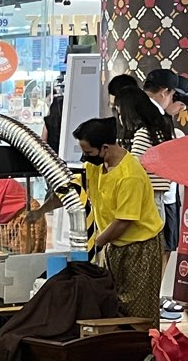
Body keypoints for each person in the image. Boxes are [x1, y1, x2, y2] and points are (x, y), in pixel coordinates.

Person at [75, 116, 165, 323]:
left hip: (140, 248)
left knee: (136, 309)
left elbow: (123, 221)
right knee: (114, 302)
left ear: (105, 148)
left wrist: (95, 244)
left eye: (88, 152)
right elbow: (75, 187)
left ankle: (144, 350)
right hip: (114, 245)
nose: (84, 157)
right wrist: (41, 210)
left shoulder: (129, 175)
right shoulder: (97, 166)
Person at [109, 74, 177, 249]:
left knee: (145, 247)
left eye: (119, 111)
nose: (120, 117)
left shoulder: (142, 134)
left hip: (147, 199)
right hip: (158, 197)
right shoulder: (160, 129)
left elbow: (133, 169)